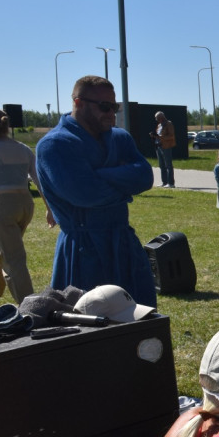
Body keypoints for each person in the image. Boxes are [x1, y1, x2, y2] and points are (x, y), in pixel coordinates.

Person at [35, 75, 157, 307]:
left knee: (139, 320)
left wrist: (100, 174)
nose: (111, 113)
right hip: (83, 250)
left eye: (115, 106)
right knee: (88, 326)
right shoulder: (55, 144)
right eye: (104, 106)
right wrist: (123, 184)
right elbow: (85, 194)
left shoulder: (120, 138)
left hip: (124, 244)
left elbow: (145, 176)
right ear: (78, 103)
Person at [0, 109, 49, 310]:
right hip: (25, 205)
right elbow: (39, 179)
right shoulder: (23, 148)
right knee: (0, 251)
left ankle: (29, 306)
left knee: (12, 258)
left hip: (3, 204)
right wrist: (49, 209)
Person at [150, 111, 176, 189]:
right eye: (156, 119)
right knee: (161, 165)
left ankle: (171, 183)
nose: (157, 120)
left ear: (162, 117)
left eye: (158, 118)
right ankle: (164, 182)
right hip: (158, 146)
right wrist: (154, 136)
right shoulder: (159, 125)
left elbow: (171, 136)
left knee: (168, 165)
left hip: (166, 146)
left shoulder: (169, 124)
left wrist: (160, 137)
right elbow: (158, 135)